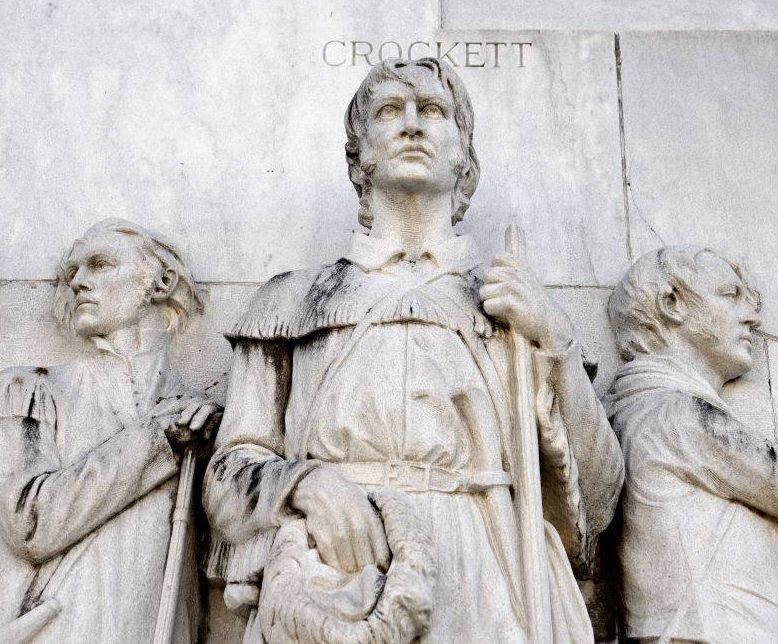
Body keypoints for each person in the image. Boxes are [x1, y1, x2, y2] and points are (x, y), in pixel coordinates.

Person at [204, 57, 624, 643]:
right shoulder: (293, 300)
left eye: (432, 110)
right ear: (360, 156)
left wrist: (555, 342)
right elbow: (225, 477)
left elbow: (598, 499)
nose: (411, 124)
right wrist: (305, 485)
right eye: (388, 111)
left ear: (463, 155)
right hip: (339, 565)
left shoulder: (516, 307)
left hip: (482, 569)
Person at [0, 218, 220, 644]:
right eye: (73, 272)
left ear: (160, 283)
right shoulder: (26, 391)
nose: (78, 281)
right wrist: (156, 440)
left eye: (100, 264)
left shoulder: (198, 414)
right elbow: (31, 524)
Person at [606, 246, 778, 643]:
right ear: (671, 304)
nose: (753, 317)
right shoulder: (678, 417)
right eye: (730, 295)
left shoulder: (642, 411)